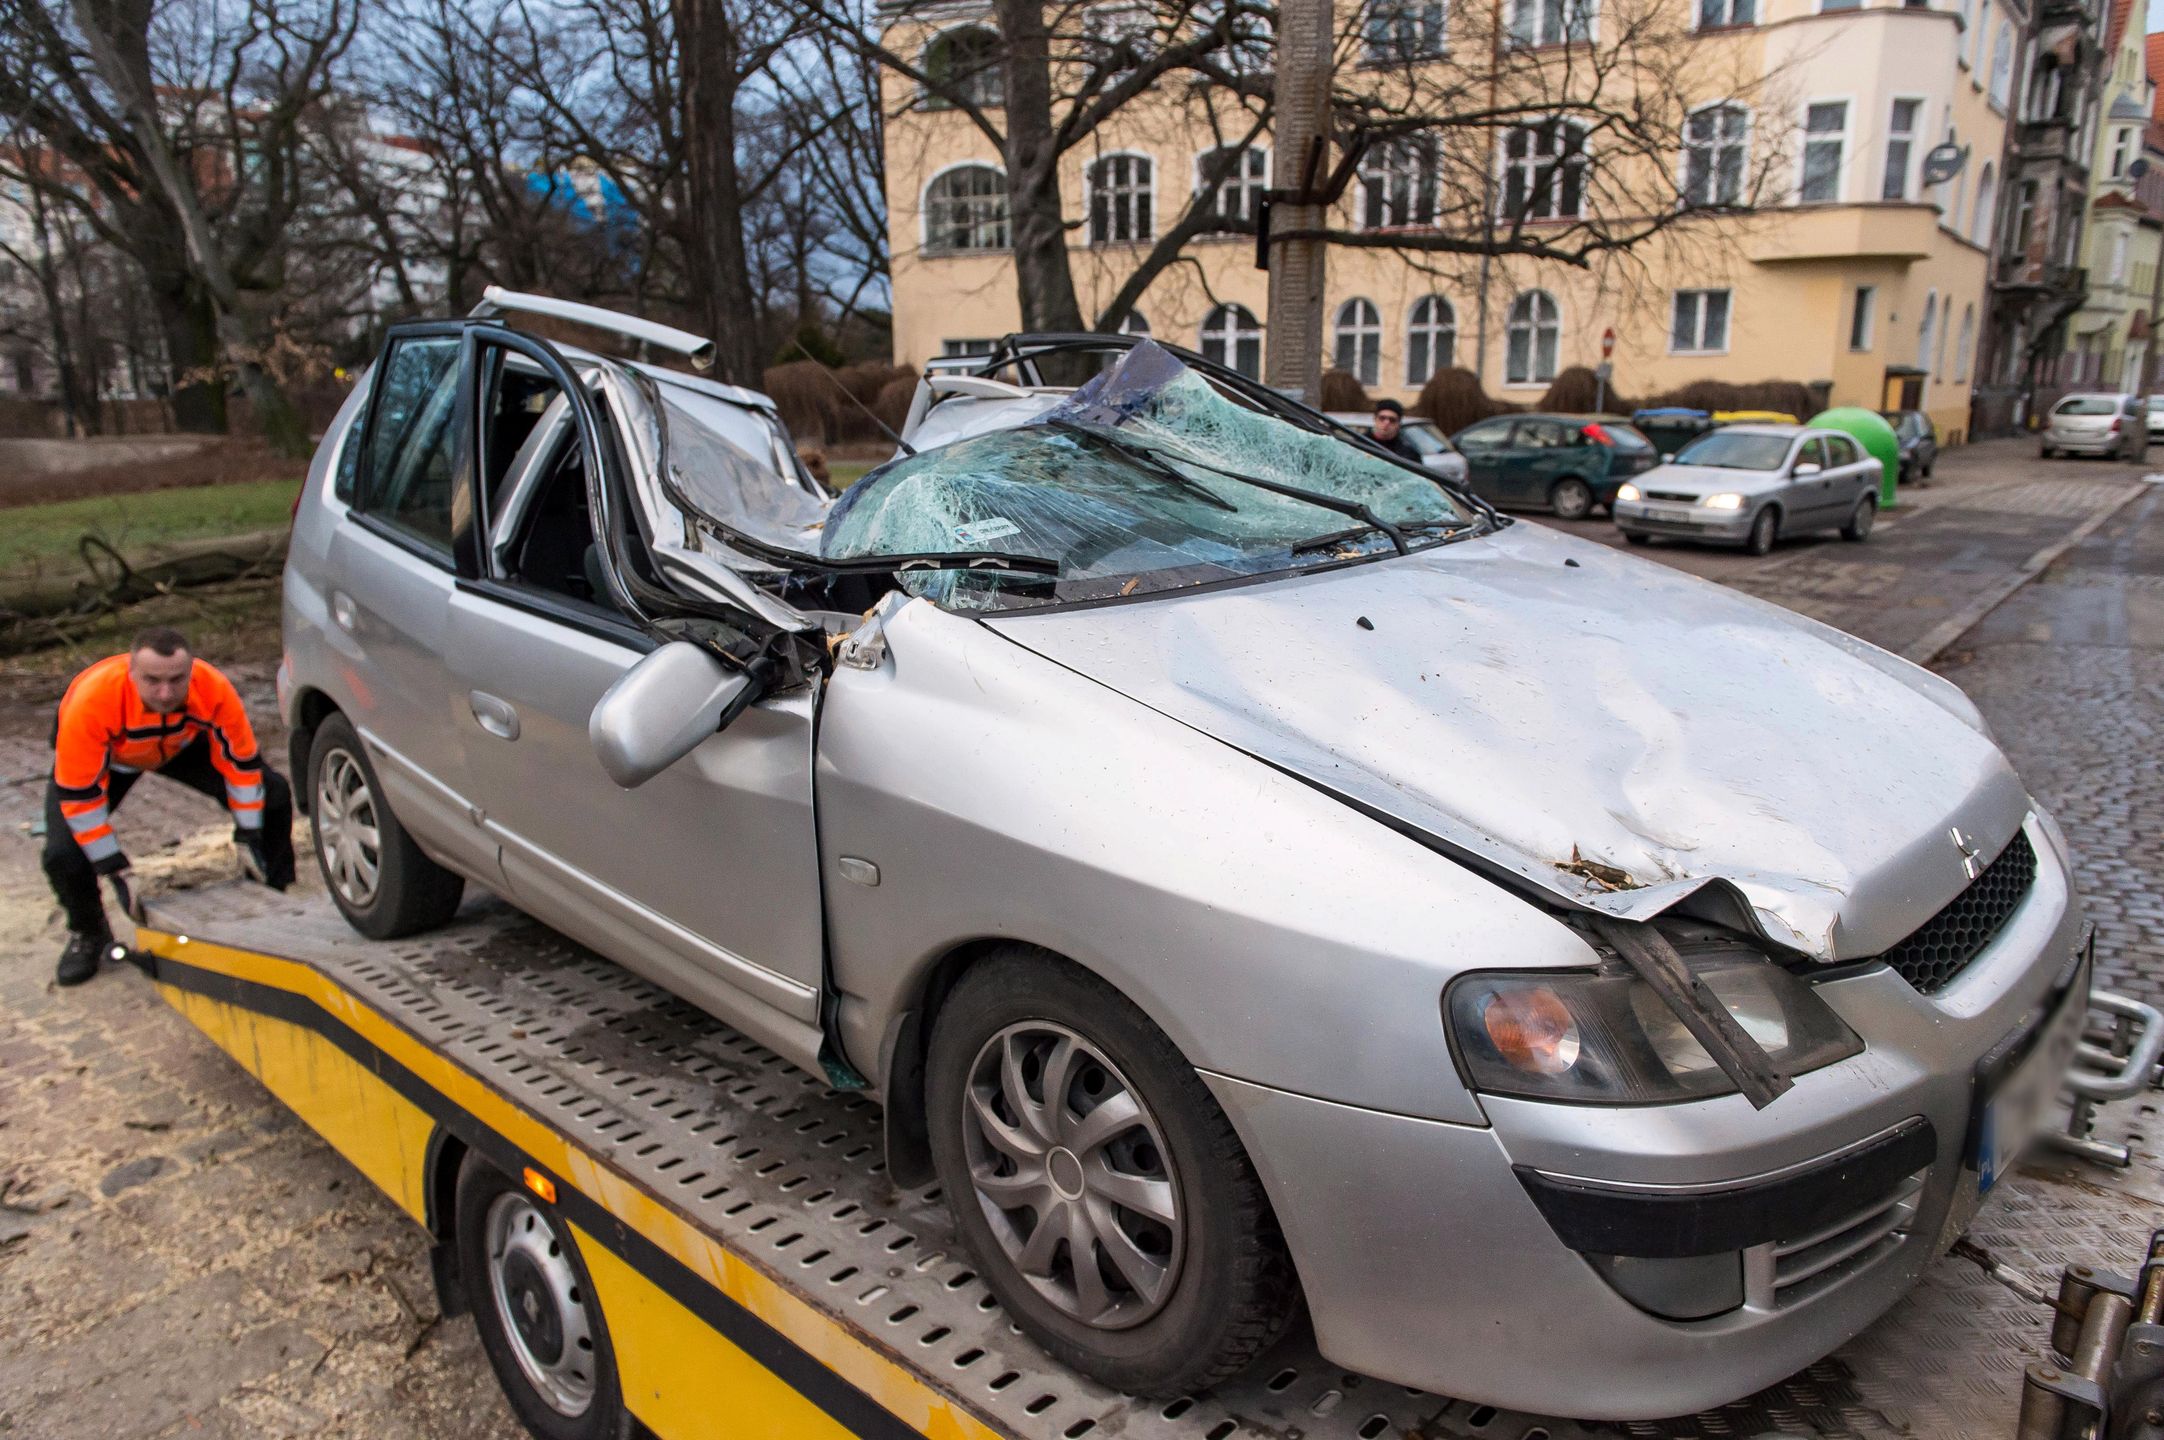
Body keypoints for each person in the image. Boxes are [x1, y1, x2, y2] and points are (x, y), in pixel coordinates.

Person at [42, 627, 293, 986]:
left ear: (192, 672)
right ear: (132, 674)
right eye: (153, 681)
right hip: (112, 756)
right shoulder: (92, 703)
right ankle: (88, 932)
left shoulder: (214, 689)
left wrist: (248, 834)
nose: (165, 692)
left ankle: (275, 886)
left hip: (179, 745)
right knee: (62, 853)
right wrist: (116, 869)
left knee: (275, 794)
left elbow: (242, 767)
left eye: (177, 680)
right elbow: (81, 801)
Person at [1370, 398, 1423, 463]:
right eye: (1382, 418)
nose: (1386, 423)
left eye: (1392, 420)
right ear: (1375, 419)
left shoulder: (1408, 453)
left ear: (1398, 423)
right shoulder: (1360, 444)